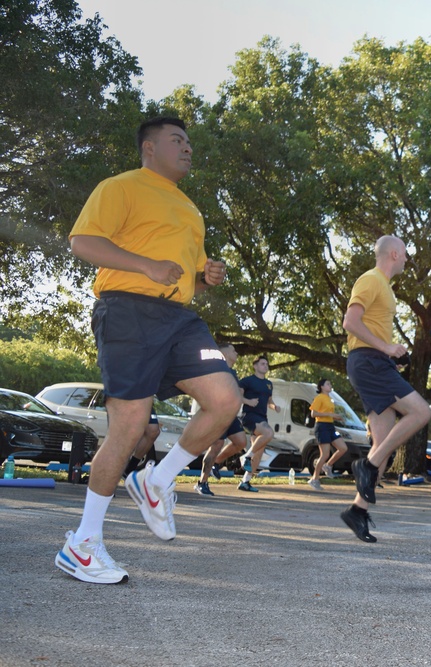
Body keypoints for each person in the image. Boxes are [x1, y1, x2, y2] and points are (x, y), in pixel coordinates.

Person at [56, 116, 241, 584]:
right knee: (131, 426)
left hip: (180, 319)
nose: (187, 148)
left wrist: (205, 277)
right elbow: (83, 241)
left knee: (225, 398)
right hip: (127, 312)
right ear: (148, 148)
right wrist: (145, 265)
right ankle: (83, 543)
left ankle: (156, 479)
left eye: (189, 142)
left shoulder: (192, 211)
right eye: (176, 141)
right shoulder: (121, 187)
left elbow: (184, 277)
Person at [340, 235, 431, 543]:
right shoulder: (371, 280)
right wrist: (385, 348)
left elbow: (372, 329)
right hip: (369, 362)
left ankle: (357, 511)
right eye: (405, 254)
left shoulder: (385, 287)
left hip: (376, 362)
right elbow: (350, 322)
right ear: (394, 253)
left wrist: (393, 353)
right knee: (421, 411)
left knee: (383, 446)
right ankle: (365, 466)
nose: (407, 259)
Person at [194, 342, 248, 496]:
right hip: (218, 413)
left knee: (241, 442)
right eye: (233, 350)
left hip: (231, 414)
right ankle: (201, 483)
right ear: (224, 353)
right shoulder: (217, 369)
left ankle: (216, 463)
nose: (236, 352)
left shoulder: (232, 372)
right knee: (217, 444)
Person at [236, 356, 279, 492]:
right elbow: (237, 396)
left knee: (259, 452)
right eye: (262, 364)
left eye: (267, 364)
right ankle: (246, 456)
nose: (265, 366)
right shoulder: (247, 381)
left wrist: (274, 406)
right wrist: (248, 402)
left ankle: (245, 482)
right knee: (269, 433)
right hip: (249, 416)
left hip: (262, 417)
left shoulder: (268, 384)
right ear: (255, 366)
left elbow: (269, 400)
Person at [307, 378, 349, 491]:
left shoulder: (330, 399)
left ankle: (328, 465)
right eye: (328, 384)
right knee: (324, 454)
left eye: (330, 383)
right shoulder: (319, 397)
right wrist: (330, 415)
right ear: (321, 387)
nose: (330, 385)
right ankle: (314, 479)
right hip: (322, 427)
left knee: (343, 448)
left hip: (330, 427)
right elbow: (313, 413)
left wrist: (338, 417)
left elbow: (330, 414)